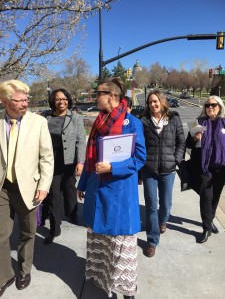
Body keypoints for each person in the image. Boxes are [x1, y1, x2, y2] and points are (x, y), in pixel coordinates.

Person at [77, 77, 146, 299]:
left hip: (119, 191)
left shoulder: (132, 122)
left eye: (98, 93)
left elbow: (139, 158)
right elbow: (91, 157)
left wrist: (113, 167)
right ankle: (102, 279)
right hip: (97, 189)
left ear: (113, 96)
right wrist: (83, 183)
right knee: (101, 241)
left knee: (120, 243)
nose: (95, 97)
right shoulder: (98, 122)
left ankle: (126, 289)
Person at [0, 80, 54, 297]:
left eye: (26, 100)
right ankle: (5, 275)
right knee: (0, 234)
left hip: (29, 188)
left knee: (27, 232)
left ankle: (24, 270)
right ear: (4, 102)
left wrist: (43, 186)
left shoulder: (38, 122)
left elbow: (47, 157)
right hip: (2, 187)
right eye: (19, 100)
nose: (25, 104)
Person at [140, 90, 185, 257]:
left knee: (165, 204)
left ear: (162, 101)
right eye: (150, 102)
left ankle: (163, 221)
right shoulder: (143, 121)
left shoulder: (174, 119)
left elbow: (181, 142)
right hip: (149, 170)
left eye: (155, 101)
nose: (153, 104)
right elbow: (139, 145)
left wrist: (176, 159)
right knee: (151, 206)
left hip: (168, 169)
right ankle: (152, 240)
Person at [41, 88, 86, 245]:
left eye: (65, 99)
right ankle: (54, 229)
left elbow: (81, 141)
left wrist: (80, 162)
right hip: (50, 162)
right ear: (53, 100)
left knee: (69, 190)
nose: (62, 102)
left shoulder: (75, 118)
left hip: (69, 161)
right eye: (58, 99)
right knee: (53, 195)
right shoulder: (45, 117)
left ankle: (72, 213)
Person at [186, 95, 225, 243]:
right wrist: (195, 138)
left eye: (213, 105)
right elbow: (188, 144)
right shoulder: (198, 123)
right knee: (206, 197)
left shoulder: (224, 123)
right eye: (207, 105)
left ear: (219, 107)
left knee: (216, 196)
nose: (210, 108)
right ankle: (206, 228)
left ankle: (211, 220)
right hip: (204, 167)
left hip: (222, 168)